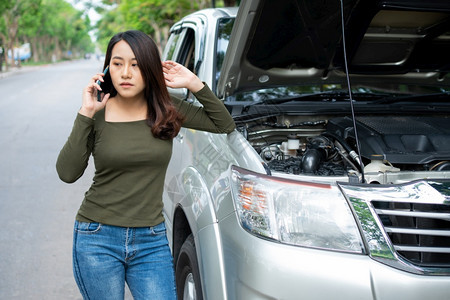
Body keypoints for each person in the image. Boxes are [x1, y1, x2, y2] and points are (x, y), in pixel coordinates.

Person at [56, 30, 235, 300]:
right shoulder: (96, 112)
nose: (125, 73)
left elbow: (224, 124)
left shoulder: (166, 107)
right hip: (97, 237)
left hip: (150, 240)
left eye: (136, 64)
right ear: (107, 69)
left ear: (150, 68)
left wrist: (194, 83)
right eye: (117, 64)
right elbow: (67, 173)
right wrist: (86, 113)